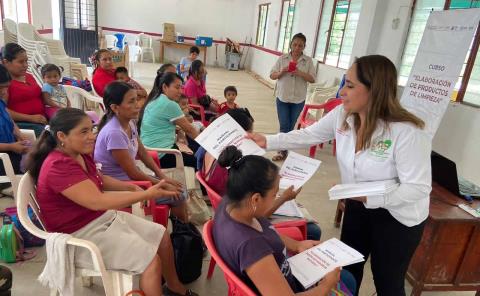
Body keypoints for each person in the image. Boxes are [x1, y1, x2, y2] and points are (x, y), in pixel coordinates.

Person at [248, 55, 431, 295]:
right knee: (347, 270)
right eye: (344, 83)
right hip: (357, 205)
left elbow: (418, 188)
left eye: (351, 86)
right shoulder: (343, 116)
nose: (342, 92)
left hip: (397, 218)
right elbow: (308, 135)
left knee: (387, 282)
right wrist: (269, 140)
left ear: (374, 90)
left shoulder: (406, 132)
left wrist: (370, 198)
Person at [26, 108, 197, 296]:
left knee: (162, 236)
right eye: (83, 132)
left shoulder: (78, 153)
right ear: (61, 136)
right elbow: (98, 201)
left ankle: (174, 288)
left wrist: (130, 187)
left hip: (97, 219)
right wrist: (147, 194)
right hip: (79, 235)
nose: (91, 136)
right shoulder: (58, 165)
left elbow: (100, 179)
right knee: (151, 261)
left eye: (91, 129)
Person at [212, 145, 356, 295]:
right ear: (255, 199)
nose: (276, 198)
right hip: (287, 284)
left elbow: (265, 231)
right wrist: (325, 286)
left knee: (348, 278)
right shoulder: (251, 247)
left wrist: (296, 244)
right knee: (348, 281)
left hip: (283, 270)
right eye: (274, 194)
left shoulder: (233, 203)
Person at [197, 108, 321, 240]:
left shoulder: (209, 151)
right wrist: (283, 197)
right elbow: (255, 214)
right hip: (240, 220)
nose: (252, 137)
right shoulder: (238, 167)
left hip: (225, 212)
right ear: (237, 132)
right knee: (313, 230)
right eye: (250, 133)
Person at [94, 81, 188, 222]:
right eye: (131, 102)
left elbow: (143, 153)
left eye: (137, 99)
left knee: (177, 189)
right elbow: (132, 173)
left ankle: (181, 232)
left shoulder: (129, 122)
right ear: (115, 107)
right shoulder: (114, 133)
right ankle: (183, 235)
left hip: (130, 179)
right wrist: (160, 183)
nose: (138, 105)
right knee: (179, 194)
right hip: (119, 186)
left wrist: (162, 176)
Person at [269, 33, 316, 161]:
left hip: (298, 99)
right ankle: (282, 151)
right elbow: (272, 75)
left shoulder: (308, 61)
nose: (297, 48)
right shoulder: (282, 58)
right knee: (284, 124)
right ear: (291, 44)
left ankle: (284, 149)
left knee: (291, 125)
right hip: (282, 98)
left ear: (304, 47)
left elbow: (312, 79)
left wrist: (300, 73)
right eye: (295, 44)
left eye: (300, 45)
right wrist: (281, 72)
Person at [139, 72, 199, 169]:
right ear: (165, 87)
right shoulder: (170, 104)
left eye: (181, 87)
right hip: (161, 155)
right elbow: (190, 130)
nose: (180, 91)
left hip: (148, 152)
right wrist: (209, 146)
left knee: (191, 146)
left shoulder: (154, 99)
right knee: (199, 161)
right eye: (177, 87)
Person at [2, 43, 54, 136]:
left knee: (71, 123)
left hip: (43, 118)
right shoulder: (4, 83)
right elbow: (2, 110)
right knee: (53, 136)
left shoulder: (28, 76)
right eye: (21, 62)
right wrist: (31, 118)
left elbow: (41, 97)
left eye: (26, 61)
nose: (25, 65)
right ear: (6, 62)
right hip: (23, 124)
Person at [0, 64, 30, 177]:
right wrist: (10, 147)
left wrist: (19, 134)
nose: (4, 92)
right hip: (3, 157)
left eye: (6, 87)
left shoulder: (0, 102)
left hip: (12, 150)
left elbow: (9, 119)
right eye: (0, 87)